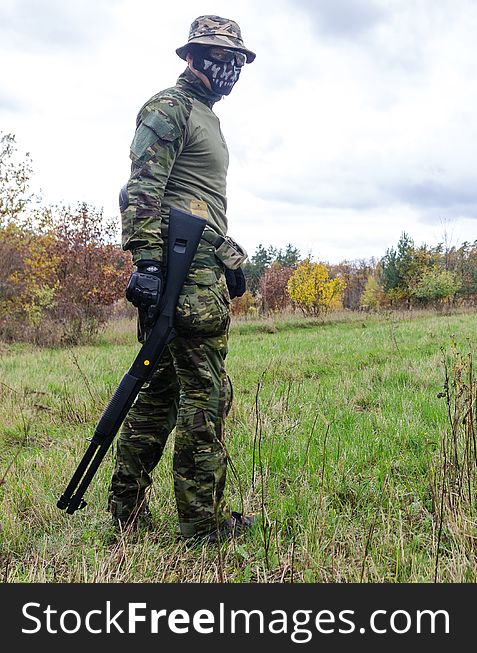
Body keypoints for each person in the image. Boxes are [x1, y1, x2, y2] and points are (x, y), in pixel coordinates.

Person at [110, 15, 255, 542]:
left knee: (159, 393)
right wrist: (146, 264)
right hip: (180, 277)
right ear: (191, 56)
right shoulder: (169, 107)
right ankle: (202, 526)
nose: (230, 69)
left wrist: (229, 260)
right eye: (221, 56)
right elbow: (143, 188)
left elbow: (196, 204)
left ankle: (124, 512)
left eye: (237, 60)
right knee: (206, 394)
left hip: (200, 267)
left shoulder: (206, 118)